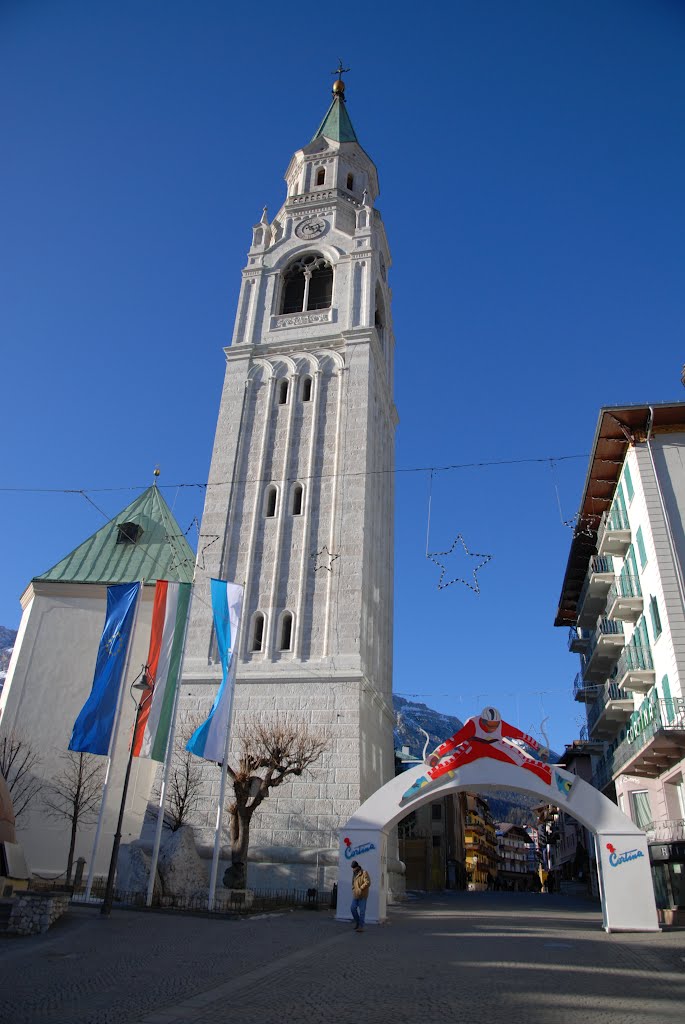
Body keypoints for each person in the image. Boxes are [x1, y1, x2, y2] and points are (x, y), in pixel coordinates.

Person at [350, 860, 371, 932]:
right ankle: (358, 922)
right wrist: (353, 889)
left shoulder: (364, 872)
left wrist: (360, 889)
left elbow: (368, 882)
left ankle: (361, 927)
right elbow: (353, 883)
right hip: (356, 895)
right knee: (352, 908)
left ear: (357, 867)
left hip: (363, 896)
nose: (353, 869)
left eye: (354, 868)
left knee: (362, 912)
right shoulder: (354, 873)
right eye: (352, 868)